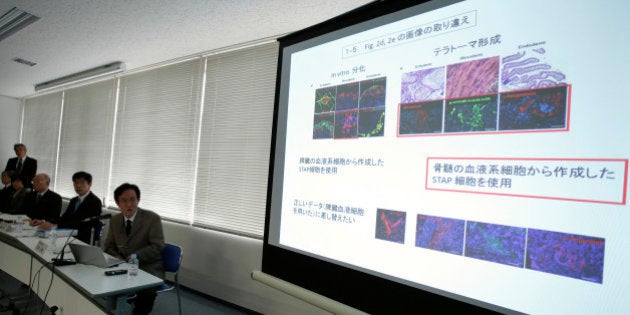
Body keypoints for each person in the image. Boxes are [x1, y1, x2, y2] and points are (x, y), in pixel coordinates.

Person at [104, 183, 164, 315]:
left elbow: (157, 246)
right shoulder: (115, 220)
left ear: (138, 200)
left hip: (148, 266)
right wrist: (117, 257)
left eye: (132, 199)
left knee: (146, 291)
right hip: (122, 264)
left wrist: (135, 256)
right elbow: (108, 246)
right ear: (118, 203)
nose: (129, 204)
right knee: (102, 279)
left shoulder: (152, 219)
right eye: (124, 201)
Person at [35, 171, 103, 244]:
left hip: (83, 238)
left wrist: (56, 225)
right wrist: (44, 221)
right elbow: (64, 218)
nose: (78, 186)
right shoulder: (74, 200)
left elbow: (82, 223)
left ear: (90, 184)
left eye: (82, 183)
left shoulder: (95, 202)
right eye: (76, 183)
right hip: (67, 235)